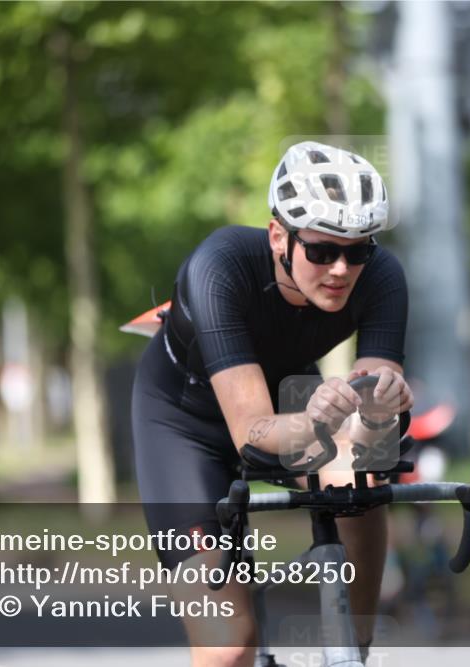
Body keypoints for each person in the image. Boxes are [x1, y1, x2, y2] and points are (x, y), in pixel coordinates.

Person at [131, 141, 413, 667]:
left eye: (358, 250)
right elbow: (254, 434)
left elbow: (374, 437)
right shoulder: (220, 267)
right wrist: (317, 421)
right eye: (322, 251)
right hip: (184, 423)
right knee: (229, 645)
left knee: (362, 478)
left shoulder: (382, 276)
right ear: (279, 236)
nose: (341, 269)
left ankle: (354, 646)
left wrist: (382, 412)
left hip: (291, 401)